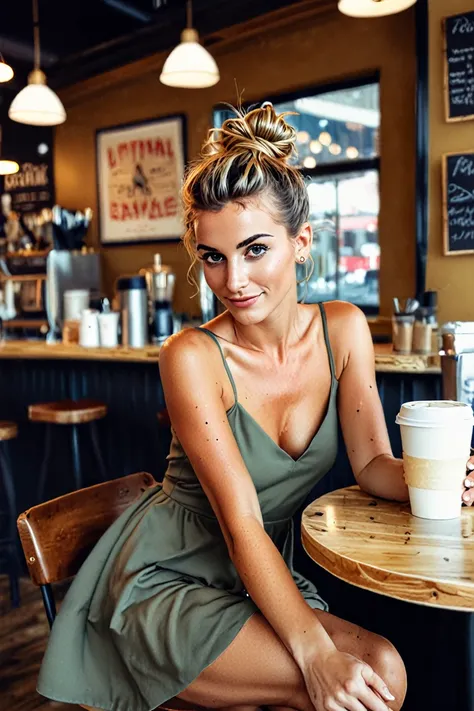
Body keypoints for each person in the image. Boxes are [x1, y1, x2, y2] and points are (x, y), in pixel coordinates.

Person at [39, 102, 474, 711]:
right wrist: (315, 654)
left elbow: (374, 460)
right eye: (214, 256)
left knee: (381, 668)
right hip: (170, 581)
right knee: (371, 680)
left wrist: (441, 480)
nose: (234, 279)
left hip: (262, 574)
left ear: (301, 242)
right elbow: (241, 521)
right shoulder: (190, 357)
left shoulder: (343, 330)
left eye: (254, 249)